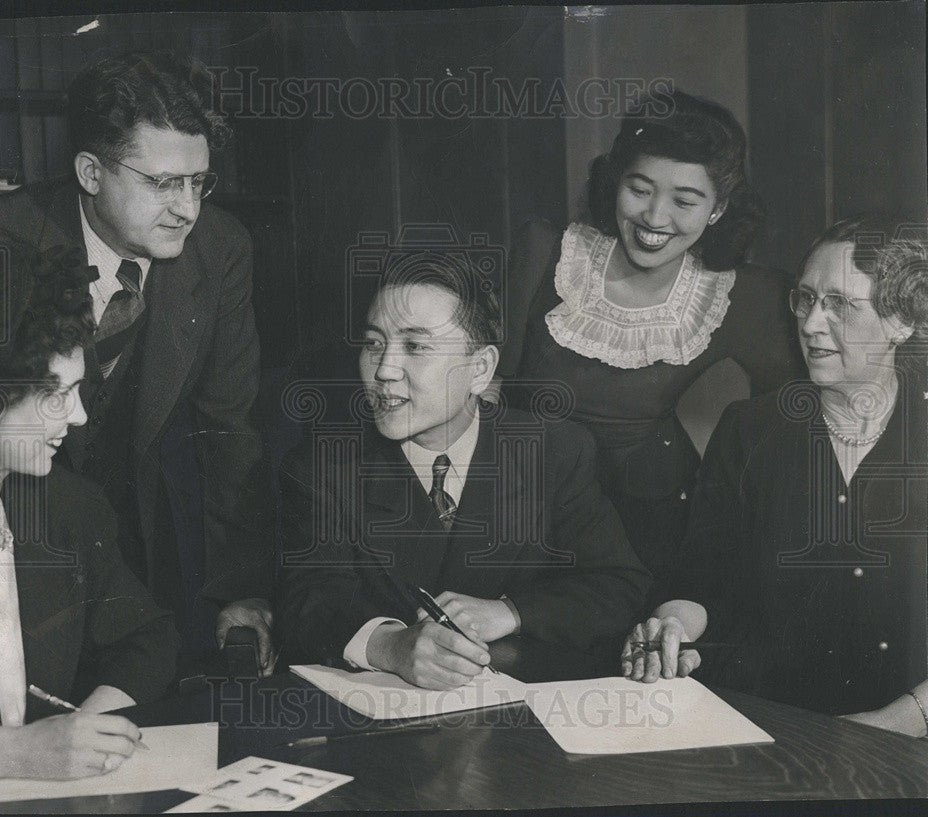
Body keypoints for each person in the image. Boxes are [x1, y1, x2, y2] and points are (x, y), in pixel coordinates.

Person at [0, 51, 276, 671]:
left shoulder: (221, 249)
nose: (187, 208)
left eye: (198, 181)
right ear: (91, 173)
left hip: (144, 552)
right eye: (161, 183)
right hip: (2, 552)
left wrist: (239, 588)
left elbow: (228, 430)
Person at [276, 253, 650, 689]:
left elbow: (618, 583)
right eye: (374, 343)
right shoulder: (325, 464)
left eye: (416, 347)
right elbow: (308, 597)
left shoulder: (553, 450)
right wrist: (389, 646)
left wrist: (510, 612)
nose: (383, 370)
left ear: (480, 369)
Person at [621, 215, 928, 736]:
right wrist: (672, 627)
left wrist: (896, 725)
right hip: (766, 726)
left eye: (840, 305)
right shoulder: (749, 429)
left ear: (901, 320)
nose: (810, 324)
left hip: (907, 739)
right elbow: (702, 578)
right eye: (805, 299)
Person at [509, 90, 804, 593]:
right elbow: (482, 386)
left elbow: (792, 417)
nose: (655, 217)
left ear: (717, 209)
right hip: (525, 512)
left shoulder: (741, 294)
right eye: (640, 189)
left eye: (685, 201)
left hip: (652, 528)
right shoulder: (547, 252)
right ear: (615, 181)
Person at [0, 241, 180, 782]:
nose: (78, 416)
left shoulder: (69, 507)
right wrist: (22, 753)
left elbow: (148, 639)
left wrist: (86, 733)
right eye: (58, 394)